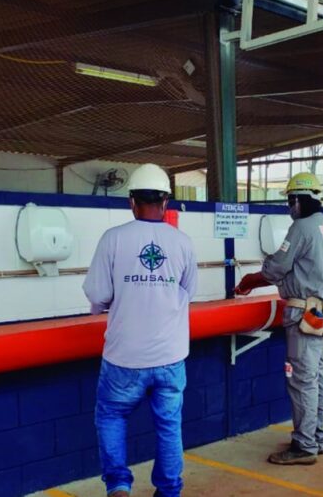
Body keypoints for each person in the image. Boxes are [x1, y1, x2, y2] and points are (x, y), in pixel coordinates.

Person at [84, 164, 199, 497]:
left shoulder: (113, 239)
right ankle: (168, 491)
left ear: (131, 201)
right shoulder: (182, 243)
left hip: (124, 356)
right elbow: (187, 293)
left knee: (111, 415)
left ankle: (119, 486)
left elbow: (97, 295)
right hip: (170, 356)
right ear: (166, 202)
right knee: (168, 425)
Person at [234, 172, 323, 466]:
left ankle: (304, 446)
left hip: (304, 310)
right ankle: (316, 437)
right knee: (315, 375)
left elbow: (276, 267)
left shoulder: (301, 227)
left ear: (297, 199)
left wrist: (248, 281)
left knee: (302, 378)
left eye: (290, 201)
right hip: (320, 310)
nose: (289, 208)